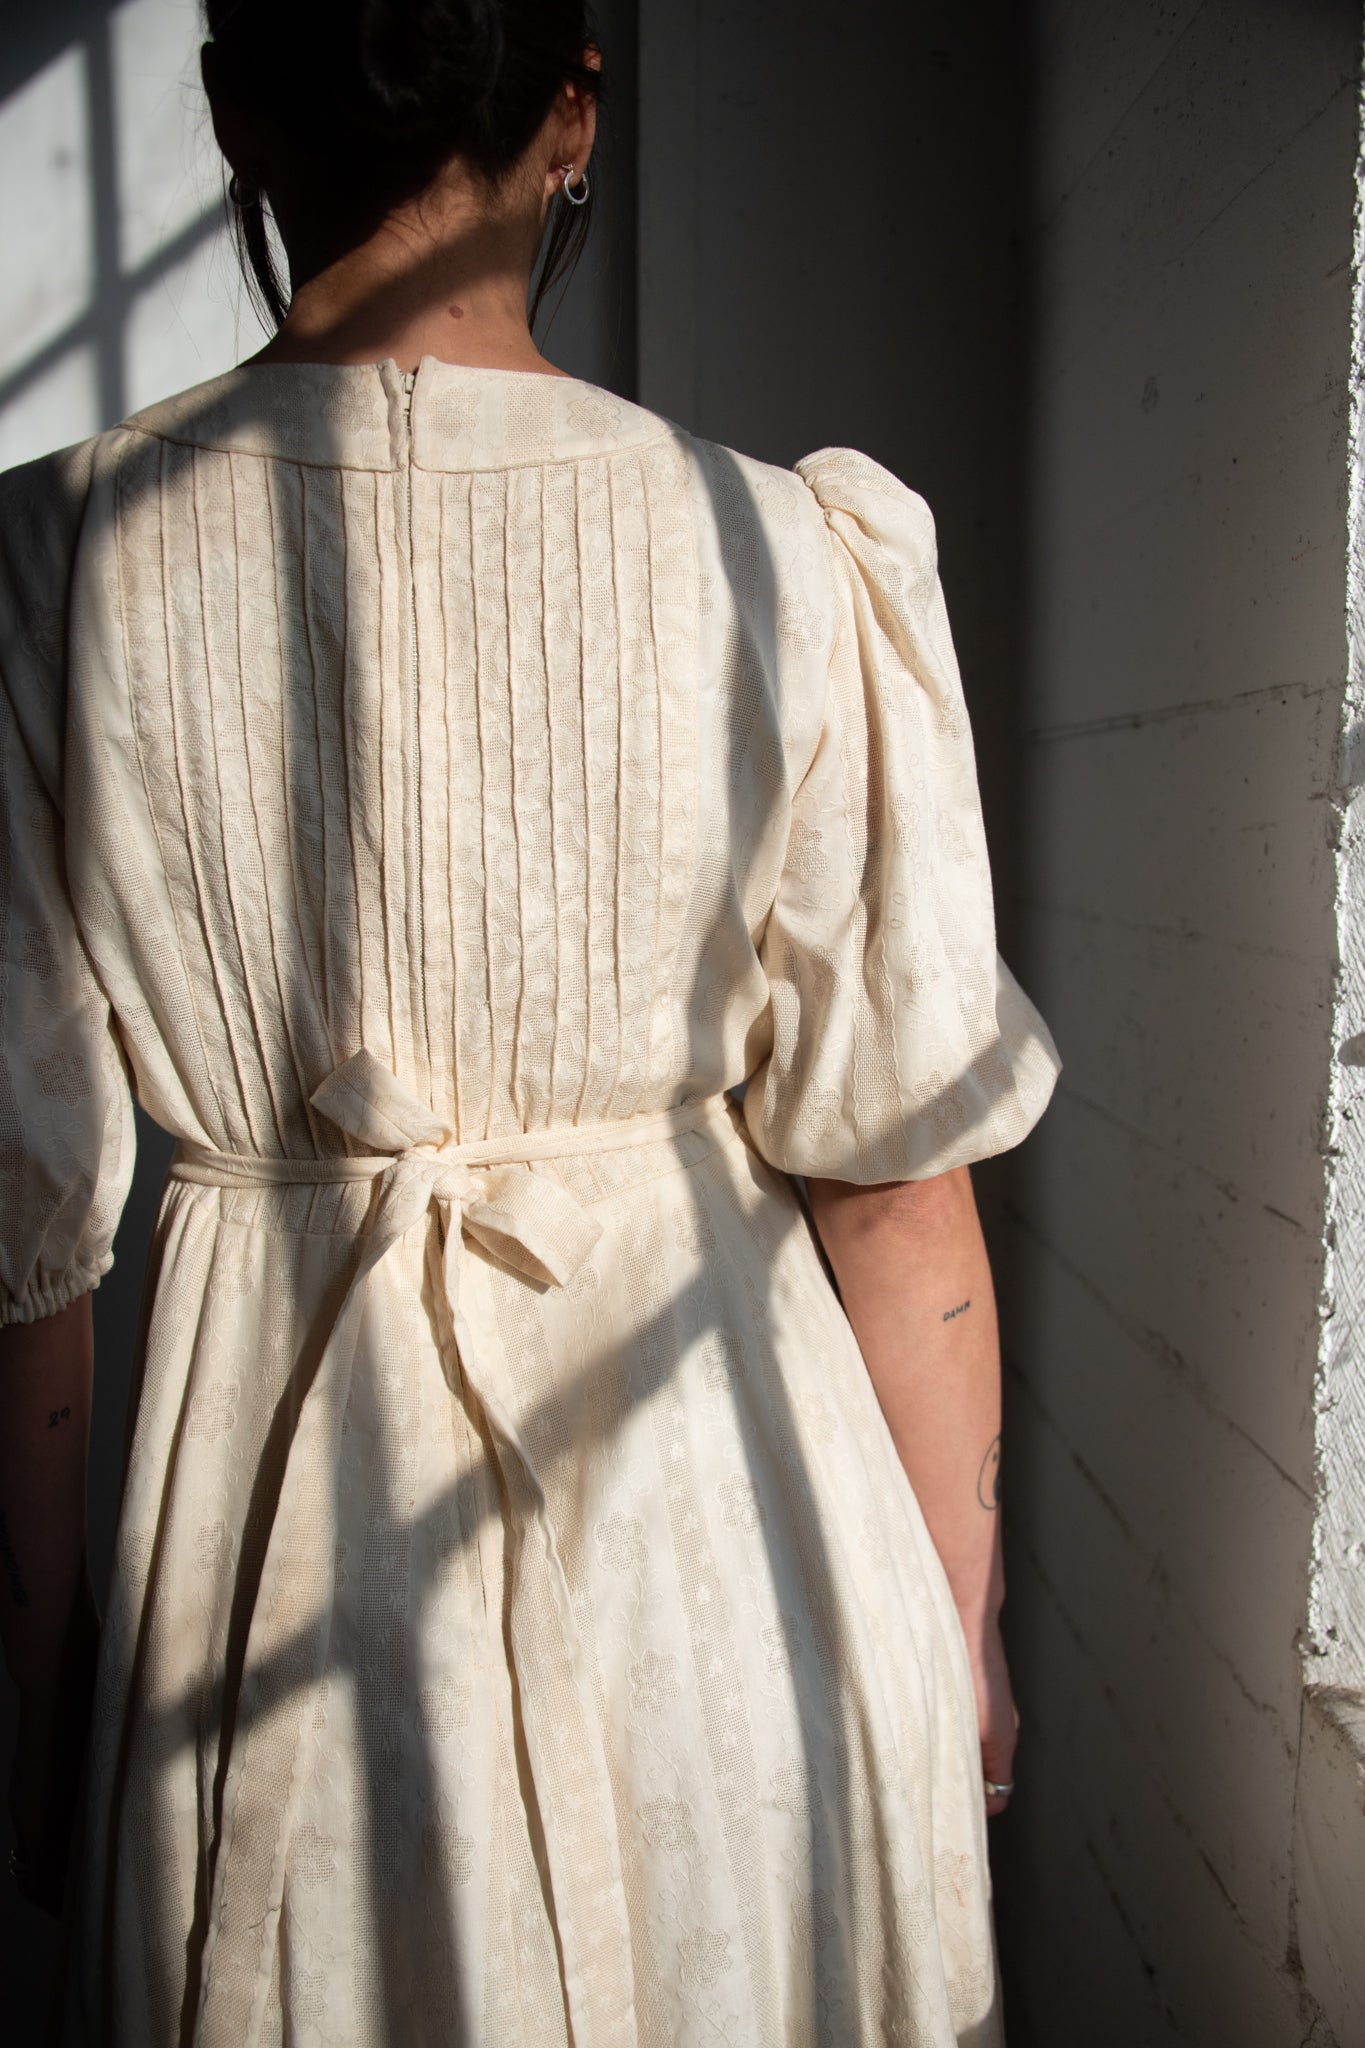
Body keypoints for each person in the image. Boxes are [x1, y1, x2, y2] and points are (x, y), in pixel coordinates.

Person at [0, 1, 1060, 2040]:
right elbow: (895, 1195)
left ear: (237, 110)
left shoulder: (53, 571)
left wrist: (57, 1701)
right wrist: (949, 1650)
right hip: (744, 1589)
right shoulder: (781, 556)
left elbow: (23, 1252)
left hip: (265, 1612)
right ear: (573, 115)